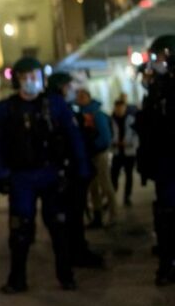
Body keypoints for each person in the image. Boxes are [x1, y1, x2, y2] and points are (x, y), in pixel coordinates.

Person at [0, 58, 88, 294]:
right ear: (17, 80)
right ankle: (17, 280)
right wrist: (0, 173)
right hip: (21, 176)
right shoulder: (6, 108)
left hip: (51, 172)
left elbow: (73, 137)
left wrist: (80, 168)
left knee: (58, 226)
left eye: (34, 76)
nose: (30, 81)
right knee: (20, 229)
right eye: (24, 77)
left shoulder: (54, 104)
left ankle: (66, 275)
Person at [47, 73, 105, 269]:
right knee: (73, 214)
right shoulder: (59, 108)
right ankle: (76, 252)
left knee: (73, 214)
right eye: (69, 86)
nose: (72, 90)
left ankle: (76, 250)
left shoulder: (62, 107)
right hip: (70, 170)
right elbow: (73, 139)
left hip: (70, 168)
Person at [135, 35, 175, 286]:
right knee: (164, 213)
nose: (154, 62)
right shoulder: (159, 88)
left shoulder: (167, 88)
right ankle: (167, 260)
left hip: (170, 162)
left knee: (168, 213)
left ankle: (168, 263)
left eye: (158, 56)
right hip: (164, 162)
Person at [76, 89, 116, 228]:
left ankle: (113, 215)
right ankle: (97, 216)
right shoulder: (82, 114)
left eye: (83, 96)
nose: (80, 99)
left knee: (105, 185)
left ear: (89, 97)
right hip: (89, 155)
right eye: (79, 97)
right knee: (93, 187)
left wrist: (93, 147)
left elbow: (105, 138)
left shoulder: (97, 114)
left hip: (99, 154)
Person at [110, 99, 138, 207]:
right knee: (114, 175)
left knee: (129, 175)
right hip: (117, 152)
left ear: (125, 108)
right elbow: (110, 134)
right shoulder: (111, 120)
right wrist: (114, 143)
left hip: (129, 152)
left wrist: (129, 143)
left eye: (121, 107)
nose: (119, 110)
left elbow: (136, 135)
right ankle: (113, 195)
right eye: (117, 108)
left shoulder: (131, 119)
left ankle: (127, 197)